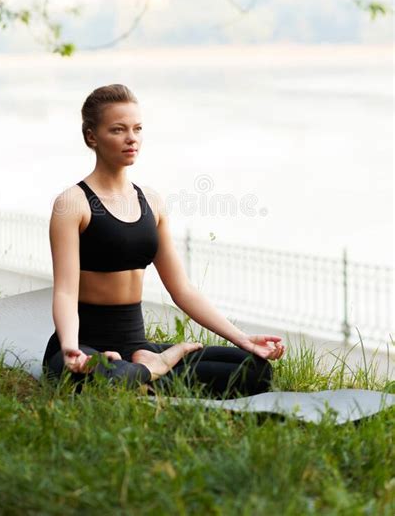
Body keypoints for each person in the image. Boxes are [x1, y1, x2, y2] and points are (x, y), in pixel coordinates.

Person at [42, 84, 285, 399]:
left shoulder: (151, 202)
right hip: (87, 344)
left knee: (255, 370)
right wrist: (71, 348)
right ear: (92, 137)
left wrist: (243, 339)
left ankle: (141, 372)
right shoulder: (72, 203)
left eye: (137, 129)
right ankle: (152, 370)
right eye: (118, 130)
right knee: (83, 373)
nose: (132, 138)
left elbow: (182, 289)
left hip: (137, 345)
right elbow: (64, 290)